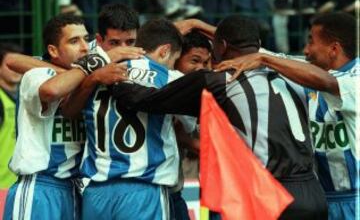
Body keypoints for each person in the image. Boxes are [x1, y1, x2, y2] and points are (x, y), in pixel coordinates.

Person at [109, 15, 329, 219]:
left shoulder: (219, 79)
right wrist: (200, 25)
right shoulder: (295, 70)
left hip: (266, 193)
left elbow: (146, 100)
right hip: (313, 193)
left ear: (221, 46)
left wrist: (116, 79)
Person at [215, 12, 358, 220]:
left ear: (334, 49)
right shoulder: (305, 73)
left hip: (354, 200)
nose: (305, 50)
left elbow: (327, 82)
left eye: (311, 41)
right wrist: (199, 26)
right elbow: (248, 48)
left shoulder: (354, 78)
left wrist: (264, 58)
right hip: (321, 197)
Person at [3, 13, 127, 220]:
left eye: (86, 39)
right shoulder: (37, 75)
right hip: (40, 188)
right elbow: (51, 90)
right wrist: (92, 70)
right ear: (53, 50)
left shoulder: (89, 76)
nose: (84, 47)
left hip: (74, 189)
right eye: (73, 41)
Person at [71, 18, 190, 220]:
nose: (173, 66)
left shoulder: (99, 75)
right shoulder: (171, 78)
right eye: (174, 60)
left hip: (96, 194)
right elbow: (190, 125)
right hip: (143, 190)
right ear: (165, 51)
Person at [170, 30, 212, 220]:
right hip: (159, 192)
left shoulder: (208, 93)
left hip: (178, 190)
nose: (201, 69)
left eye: (205, 62)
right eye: (194, 61)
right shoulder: (159, 92)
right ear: (175, 58)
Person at [0, 43, 22, 190]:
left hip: (18, 187)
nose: (17, 70)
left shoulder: (25, 97)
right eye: (11, 65)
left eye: (19, 65)